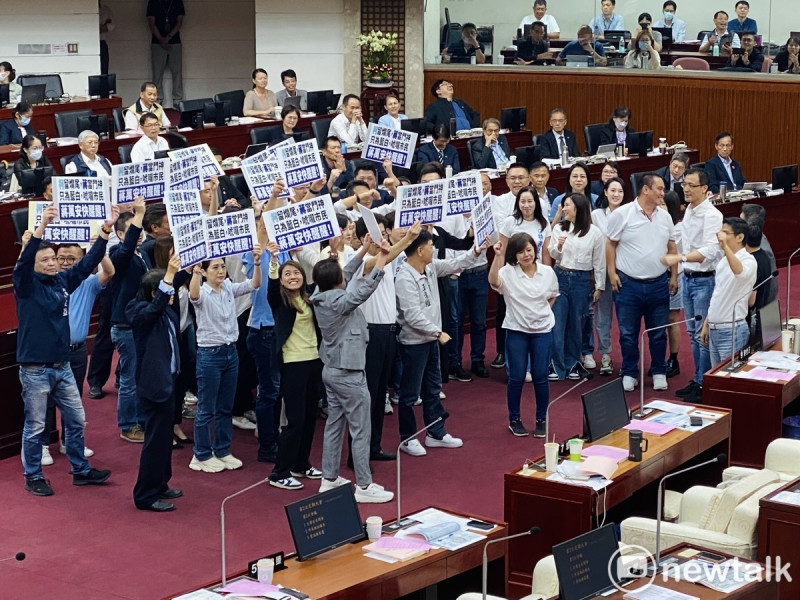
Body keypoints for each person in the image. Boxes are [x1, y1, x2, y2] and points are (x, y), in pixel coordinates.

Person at [15, 204, 113, 497]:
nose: (51, 263)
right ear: (33, 262)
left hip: (62, 365)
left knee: (77, 419)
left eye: (53, 259)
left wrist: (105, 234)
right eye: (44, 259)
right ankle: (33, 475)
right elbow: (21, 265)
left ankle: (81, 470)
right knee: (34, 427)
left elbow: (86, 265)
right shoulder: (26, 285)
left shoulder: (62, 281)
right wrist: (42, 228)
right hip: (35, 369)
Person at [310, 236, 397, 503]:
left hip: (332, 370)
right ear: (337, 282)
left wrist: (362, 250)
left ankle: (329, 478)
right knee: (361, 428)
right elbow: (363, 291)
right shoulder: (339, 301)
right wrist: (380, 259)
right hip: (348, 373)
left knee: (335, 425)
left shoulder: (318, 295)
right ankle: (364, 484)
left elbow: (345, 274)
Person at [395, 230, 489, 457]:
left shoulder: (430, 266)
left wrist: (477, 250)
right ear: (419, 250)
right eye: (430, 246)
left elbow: (455, 262)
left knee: (433, 389)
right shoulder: (404, 276)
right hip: (414, 342)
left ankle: (435, 432)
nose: (433, 249)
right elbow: (411, 315)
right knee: (410, 394)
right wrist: (438, 332)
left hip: (432, 340)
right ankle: (408, 438)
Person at [188, 242, 262, 473]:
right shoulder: (202, 292)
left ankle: (222, 450)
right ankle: (200, 454)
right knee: (206, 408)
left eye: (222, 267)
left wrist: (257, 263)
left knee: (225, 407)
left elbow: (255, 283)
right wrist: (196, 273)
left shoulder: (229, 287)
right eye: (215, 268)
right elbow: (194, 294)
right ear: (205, 271)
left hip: (231, 353)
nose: (221, 271)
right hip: (210, 354)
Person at [41, 235, 115, 465]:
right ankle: (43, 445)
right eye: (60, 258)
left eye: (71, 259)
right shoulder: (44, 283)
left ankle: (70, 442)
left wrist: (100, 250)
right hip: (49, 350)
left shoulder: (88, 282)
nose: (64, 262)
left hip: (77, 350)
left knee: (73, 399)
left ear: (83, 259)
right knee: (47, 400)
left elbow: (110, 273)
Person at [351, 218, 421, 462]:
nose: (383, 239)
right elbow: (381, 259)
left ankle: (374, 447)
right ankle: (357, 455)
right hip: (370, 335)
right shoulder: (360, 261)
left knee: (380, 395)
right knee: (366, 397)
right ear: (363, 239)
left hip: (389, 332)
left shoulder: (387, 258)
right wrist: (409, 239)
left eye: (384, 233)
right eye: (376, 234)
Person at [607, 173, 677, 392]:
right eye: (659, 189)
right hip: (628, 284)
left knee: (658, 332)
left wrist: (674, 275)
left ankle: (658, 370)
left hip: (658, 283)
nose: (662, 193)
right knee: (628, 333)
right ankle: (629, 372)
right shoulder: (622, 214)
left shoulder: (665, 217)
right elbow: (610, 245)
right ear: (645, 189)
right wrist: (611, 273)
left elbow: (672, 248)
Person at [660, 168, 722, 403]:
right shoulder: (690, 212)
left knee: (702, 335)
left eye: (691, 185)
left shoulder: (711, 215)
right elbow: (682, 242)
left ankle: (705, 382)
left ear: (704, 190)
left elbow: (710, 251)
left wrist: (680, 258)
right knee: (692, 333)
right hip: (688, 278)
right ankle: (698, 378)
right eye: (684, 184)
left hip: (705, 280)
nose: (685, 188)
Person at [127, 258, 184, 512]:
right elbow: (152, 311)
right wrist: (169, 275)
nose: (171, 296)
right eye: (166, 291)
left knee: (164, 440)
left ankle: (161, 483)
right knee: (154, 442)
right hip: (154, 386)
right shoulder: (138, 309)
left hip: (169, 382)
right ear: (154, 292)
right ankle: (145, 495)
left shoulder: (167, 310)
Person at [490, 233, 558, 437]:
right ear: (515, 255)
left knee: (540, 376)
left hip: (542, 330)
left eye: (529, 250)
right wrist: (497, 256)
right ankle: (514, 419)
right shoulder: (508, 272)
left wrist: (541, 313)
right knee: (517, 376)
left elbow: (553, 295)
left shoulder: (547, 272)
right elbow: (493, 281)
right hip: (517, 331)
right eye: (520, 252)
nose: (526, 255)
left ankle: (541, 419)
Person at [267, 256, 323, 490]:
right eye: (287, 274)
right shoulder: (279, 301)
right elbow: (270, 289)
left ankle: (301, 463)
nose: (293, 277)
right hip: (293, 363)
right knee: (295, 420)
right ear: (281, 280)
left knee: (311, 417)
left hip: (314, 361)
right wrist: (272, 262)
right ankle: (279, 472)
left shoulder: (309, 297)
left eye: (296, 273)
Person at [548, 194, 605, 380]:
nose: (563, 209)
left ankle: (572, 363)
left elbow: (599, 261)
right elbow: (554, 255)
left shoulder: (594, 232)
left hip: (582, 280)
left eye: (567, 206)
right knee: (558, 322)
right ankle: (556, 365)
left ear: (578, 209)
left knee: (576, 323)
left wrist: (599, 286)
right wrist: (559, 246)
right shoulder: (558, 228)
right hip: (561, 276)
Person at [110, 200, 148, 444]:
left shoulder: (141, 253)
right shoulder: (118, 254)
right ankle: (127, 425)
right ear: (121, 234)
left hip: (141, 322)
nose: (141, 233)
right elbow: (124, 252)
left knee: (141, 376)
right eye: (136, 228)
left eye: (142, 228)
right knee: (130, 378)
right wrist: (139, 213)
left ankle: (141, 418)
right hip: (125, 326)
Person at [700, 218, 757, 366]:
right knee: (716, 377)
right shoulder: (724, 261)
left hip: (732, 330)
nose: (720, 235)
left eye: (725, 232)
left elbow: (739, 272)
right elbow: (718, 294)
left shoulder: (748, 260)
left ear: (740, 237)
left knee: (730, 378)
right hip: (714, 328)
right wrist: (707, 322)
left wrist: (725, 246)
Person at [491, 164, 531, 369]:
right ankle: (502, 352)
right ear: (506, 181)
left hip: (533, 267)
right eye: (513, 178)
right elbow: (502, 230)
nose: (517, 181)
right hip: (509, 265)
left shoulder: (537, 201)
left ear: (528, 179)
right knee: (504, 311)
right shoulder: (499, 201)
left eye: (521, 178)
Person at [591, 177, 628, 376]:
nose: (616, 195)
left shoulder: (630, 214)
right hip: (603, 271)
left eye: (620, 191)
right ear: (605, 192)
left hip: (625, 271)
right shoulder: (596, 215)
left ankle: (627, 357)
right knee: (603, 315)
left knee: (625, 316)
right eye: (612, 190)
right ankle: (605, 355)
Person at [146, 0, 185, 105]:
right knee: (157, 74)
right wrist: (161, 39)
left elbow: (179, 22)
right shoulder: (153, 2)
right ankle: (157, 101)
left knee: (177, 73)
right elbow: (151, 22)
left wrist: (167, 38)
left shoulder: (177, 2)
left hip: (175, 42)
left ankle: (178, 101)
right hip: (157, 43)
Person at [499, 186, 552, 264]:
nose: (526, 205)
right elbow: (501, 253)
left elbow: (545, 253)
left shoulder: (544, 222)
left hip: (537, 270)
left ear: (536, 202)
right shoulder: (509, 222)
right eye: (523, 201)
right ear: (518, 203)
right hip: (514, 269)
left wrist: (548, 272)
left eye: (530, 201)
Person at [99, 2, 114, 75]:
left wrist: (97, 27)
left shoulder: (105, 9)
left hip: (101, 42)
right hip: (89, 43)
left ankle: (103, 86)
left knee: (104, 70)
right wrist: (102, 26)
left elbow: (111, 26)